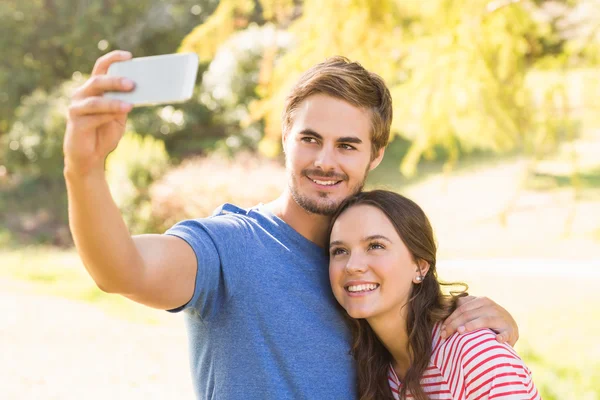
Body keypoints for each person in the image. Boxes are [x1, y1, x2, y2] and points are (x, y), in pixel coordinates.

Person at [63, 50, 520, 399]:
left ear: (375, 155)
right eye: (310, 139)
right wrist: (83, 169)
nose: (324, 161)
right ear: (285, 137)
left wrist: (495, 328)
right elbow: (123, 270)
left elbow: (439, 345)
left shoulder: (377, 269)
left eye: (346, 145)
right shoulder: (229, 247)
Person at [328, 190, 540, 400]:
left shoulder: (475, 354)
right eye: (339, 251)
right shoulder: (377, 368)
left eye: (375, 246)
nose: (352, 266)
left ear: (420, 267)